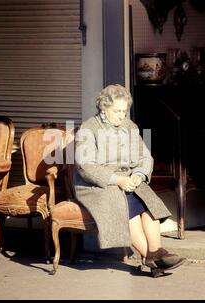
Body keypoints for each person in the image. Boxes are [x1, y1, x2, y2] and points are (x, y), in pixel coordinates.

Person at [73, 84, 185, 274]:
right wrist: (118, 180)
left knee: (149, 205)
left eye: (124, 111)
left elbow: (144, 157)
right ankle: (154, 257)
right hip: (98, 185)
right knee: (128, 210)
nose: (121, 116)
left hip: (129, 180)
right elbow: (86, 167)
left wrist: (139, 175)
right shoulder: (89, 128)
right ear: (103, 107)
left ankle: (154, 256)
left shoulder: (129, 126)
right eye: (117, 111)